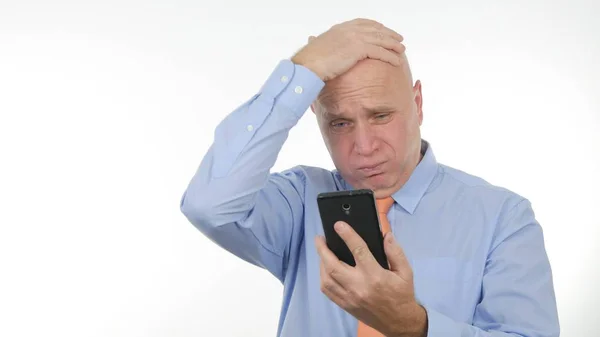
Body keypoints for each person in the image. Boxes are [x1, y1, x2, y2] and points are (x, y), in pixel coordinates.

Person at [179, 18, 560, 337]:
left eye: (381, 116)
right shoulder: (298, 201)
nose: (363, 146)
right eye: (340, 122)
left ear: (418, 104)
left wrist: (413, 325)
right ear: (316, 116)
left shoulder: (503, 218)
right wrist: (302, 72)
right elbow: (208, 203)